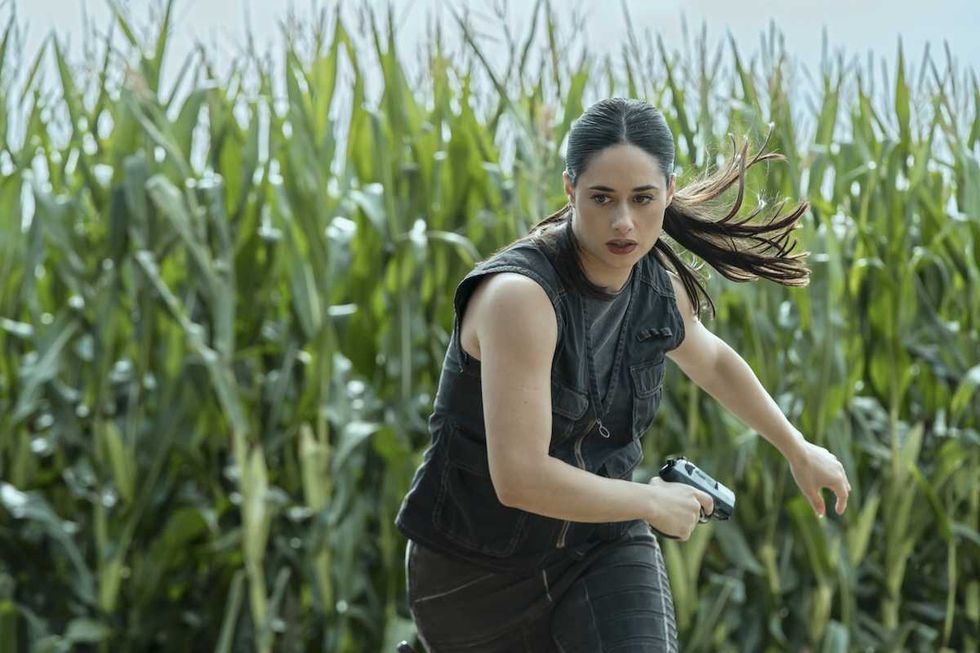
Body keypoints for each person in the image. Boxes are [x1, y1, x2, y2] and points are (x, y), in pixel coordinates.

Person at [394, 97, 851, 652]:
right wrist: (649, 501)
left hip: (599, 543)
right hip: (474, 576)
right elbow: (519, 477)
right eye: (601, 199)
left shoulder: (654, 283)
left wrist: (796, 447)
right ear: (569, 191)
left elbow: (710, 358)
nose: (623, 223)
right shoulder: (520, 298)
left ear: (669, 193)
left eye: (642, 199)